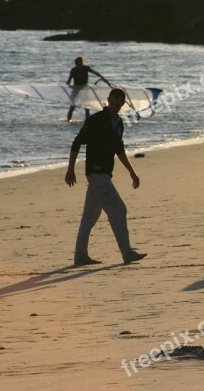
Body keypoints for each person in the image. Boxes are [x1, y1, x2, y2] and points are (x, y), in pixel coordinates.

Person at [65, 88, 146, 266]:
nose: (115, 107)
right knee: (119, 210)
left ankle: (80, 256)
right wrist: (70, 169)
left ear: (123, 104)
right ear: (107, 100)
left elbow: (119, 150)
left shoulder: (118, 123)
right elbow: (77, 142)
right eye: (113, 103)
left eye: (119, 104)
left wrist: (132, 172)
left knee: (90, 216)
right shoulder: (95, 120)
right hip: (96, 173)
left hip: (105, 174)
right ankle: (127, 253)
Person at [66, 56, 111, 121]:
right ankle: (68, 120)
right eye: (76, 63)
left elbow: (94, 72)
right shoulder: (73, 70)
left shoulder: (85, 68)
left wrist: (101, 77)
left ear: (80, 62)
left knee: (86, 107)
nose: (77, 64)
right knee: (72, 106)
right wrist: (67, 84)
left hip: (84, 90)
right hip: (75, 90)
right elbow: (69, 80)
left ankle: (87, 121)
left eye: (77, 62)